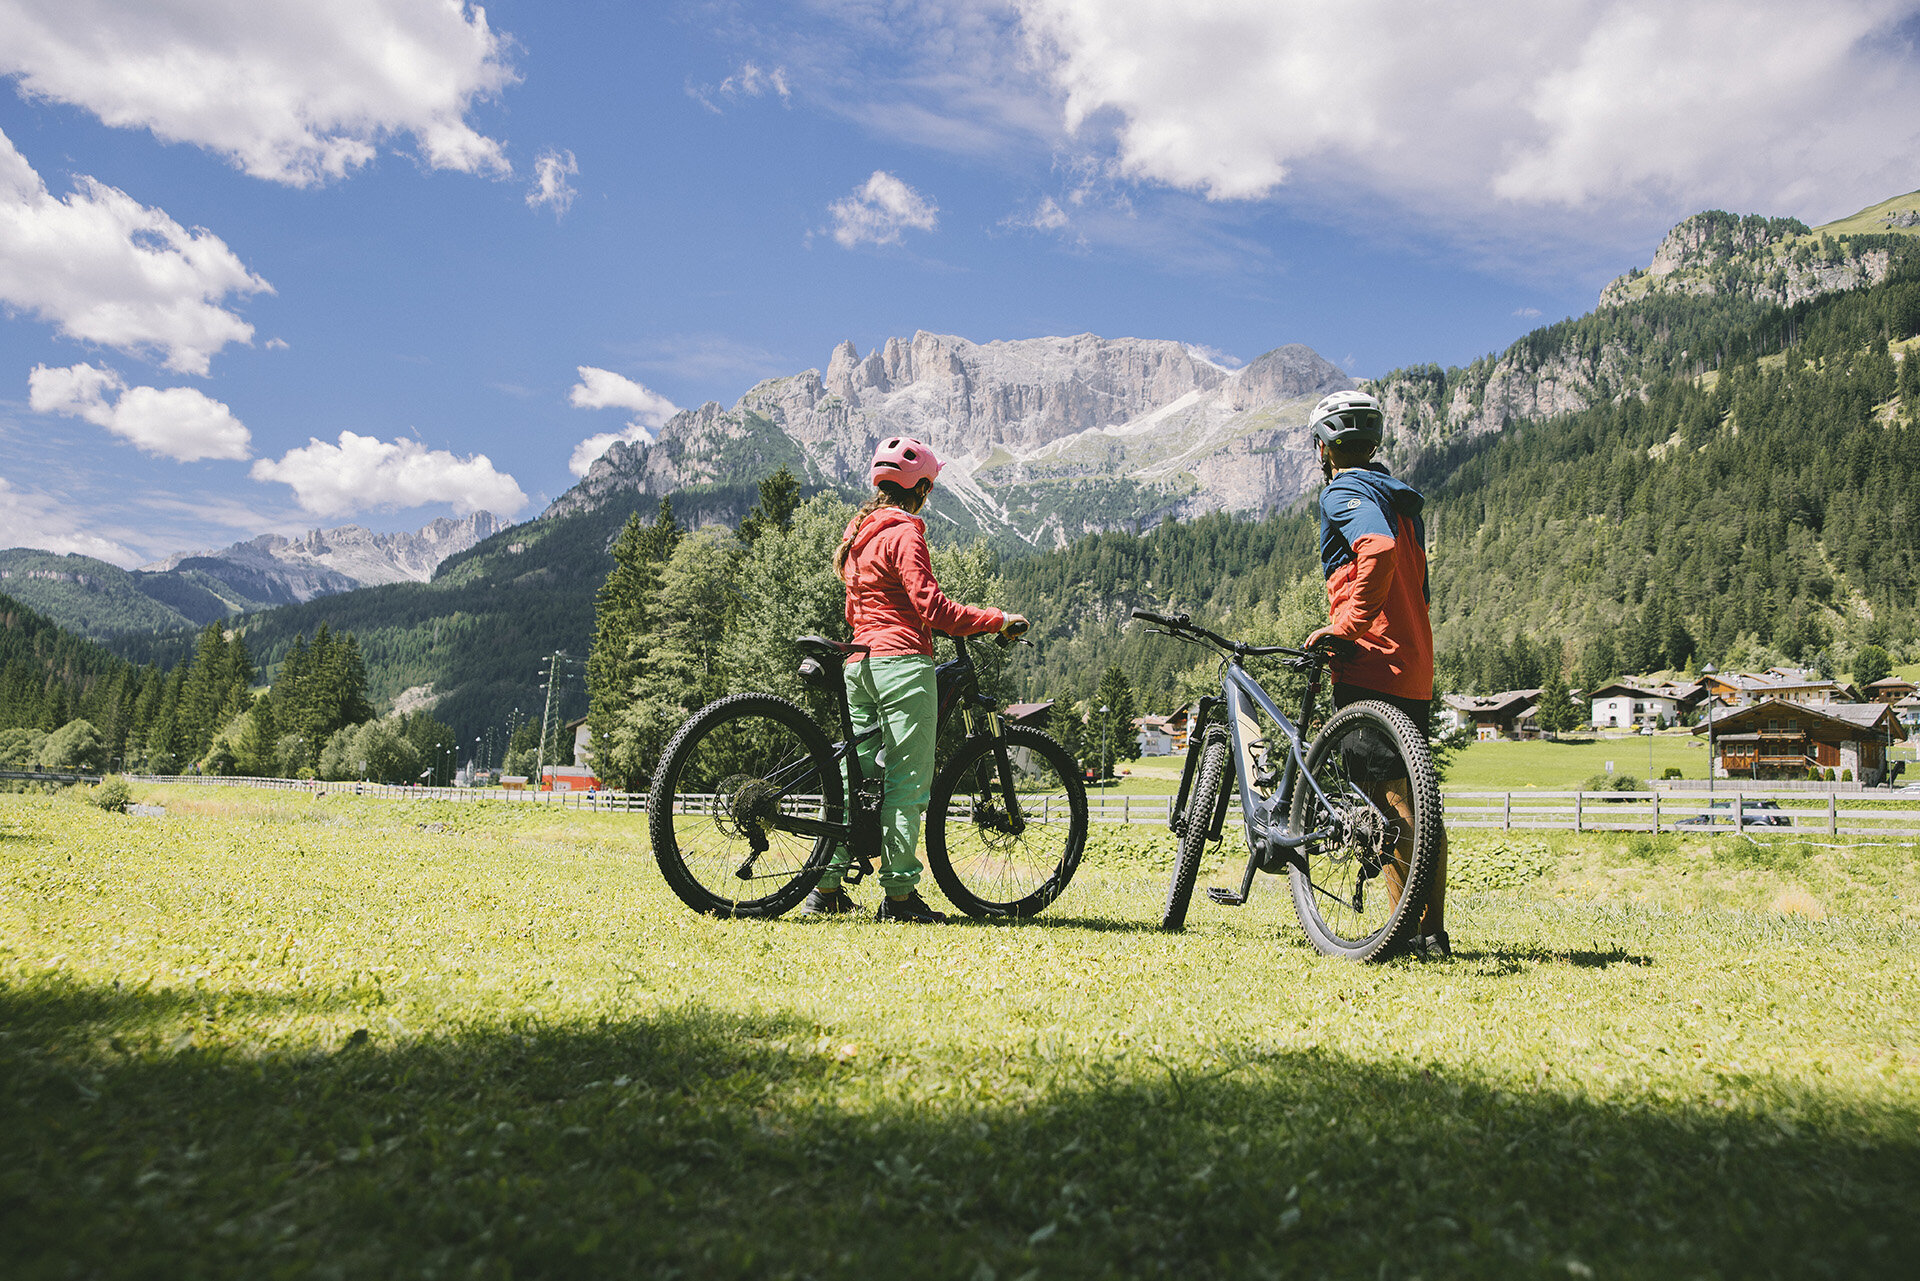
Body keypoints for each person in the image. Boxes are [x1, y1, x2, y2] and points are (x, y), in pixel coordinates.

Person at [802, 436, 1028, 923]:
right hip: (902, 664)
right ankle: (900, 897)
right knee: (906, 783)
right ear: (921, 487)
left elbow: (852, 608)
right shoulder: (905, 530)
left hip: (858, 664)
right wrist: (995, 618)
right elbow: (932, 608)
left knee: (852, 779)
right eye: (930, 486)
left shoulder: (857, 531)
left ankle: (827, 886)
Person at [1302, 390, 1451, 959]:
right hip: (1413, 664)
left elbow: (1376, 549)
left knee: (1390, 806)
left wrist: (1348, 627)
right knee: (1418, 801)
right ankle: (1429, 933)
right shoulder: (1400, 503)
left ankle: (1402, 934)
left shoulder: (1346, 490)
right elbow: (1418, 590)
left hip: (1371, 664)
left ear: (1325, 448)